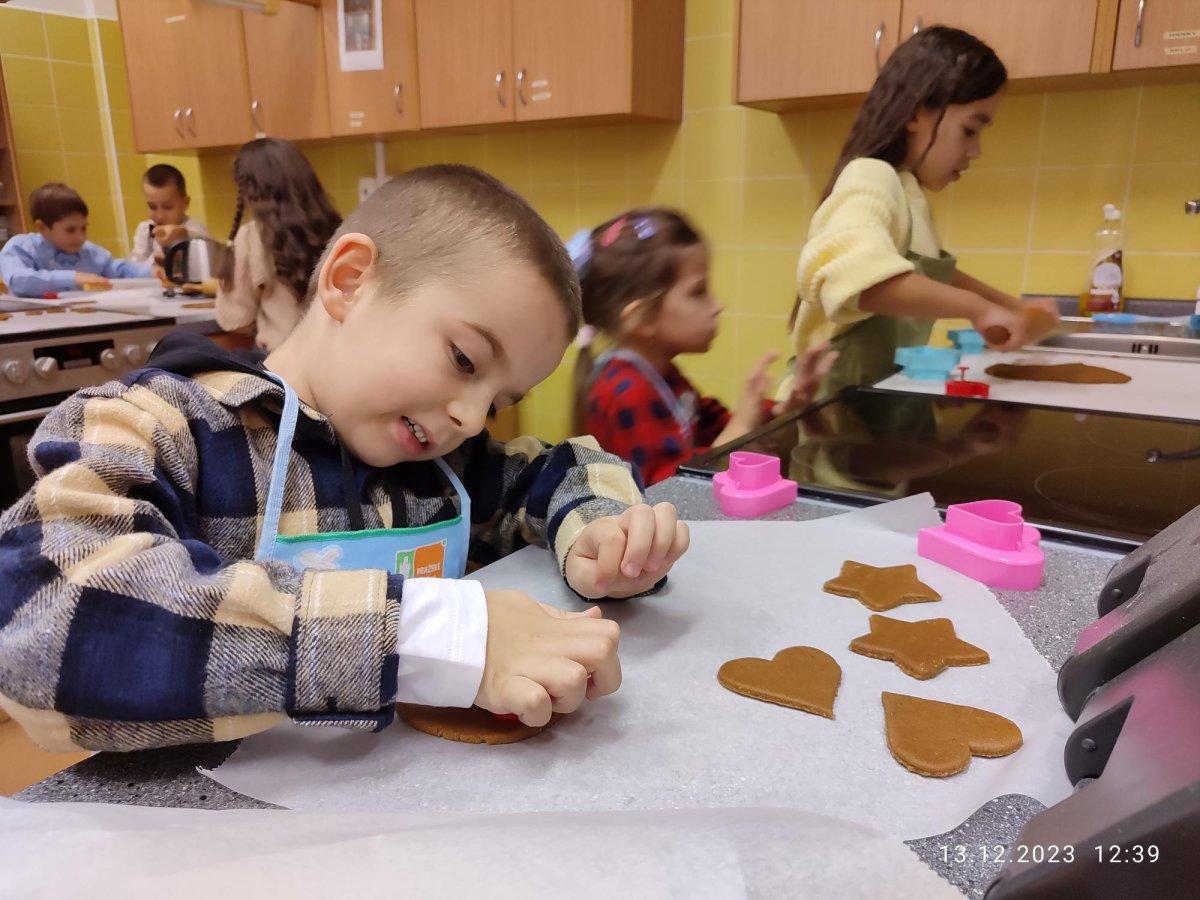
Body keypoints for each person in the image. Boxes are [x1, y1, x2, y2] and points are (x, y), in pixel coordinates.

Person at [0, 165, 690, 753]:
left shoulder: (441, 466)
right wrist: (431, 637)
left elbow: (559, 468)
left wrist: (605, 532)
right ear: (350, 280)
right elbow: (43, 613)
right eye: (464, 359)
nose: (472, 418)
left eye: (500, 400)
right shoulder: (162, 428)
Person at [791, 26, 1059, 397]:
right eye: (970, 130)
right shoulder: (870, 176)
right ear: (917, 114)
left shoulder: (908, 193)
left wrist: (1011, 305)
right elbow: (856, 278)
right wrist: (978, 309)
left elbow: (933, 274)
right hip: (828, 406)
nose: (975, 151)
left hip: (874, 400)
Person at [570, 208, 836, 487]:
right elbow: (663, 490)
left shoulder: (660, 374)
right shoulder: (627, 392)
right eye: (698, 292)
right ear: (643, 317)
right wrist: (741, 426)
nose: (718, 305)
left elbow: (713, 428)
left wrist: (778, 409)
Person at [216, 138, 341, 351]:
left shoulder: (250, 237)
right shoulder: (335, 226)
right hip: (335, 355)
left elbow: (235, 319)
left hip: (283, 359)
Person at [0, 183, 153, 297]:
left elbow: (119, 270)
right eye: (71, 230)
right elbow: (18, 280)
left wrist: (151, 272)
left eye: (84, 228)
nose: (81, 237)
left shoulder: (89, 252)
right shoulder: (21, 247)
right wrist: (74, 277)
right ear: (42, 227)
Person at [128, 163, 208, 266]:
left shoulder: (194, 229)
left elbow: (207, 256)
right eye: (152, 207)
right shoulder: (145, 230)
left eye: (167, 207)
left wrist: (183, 236)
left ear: (185, 203)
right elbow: (136, 264)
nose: (159, 216)